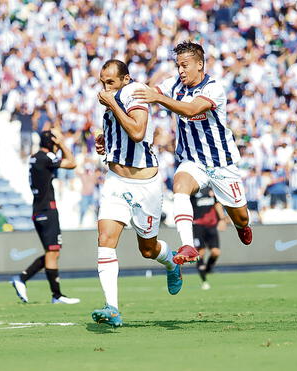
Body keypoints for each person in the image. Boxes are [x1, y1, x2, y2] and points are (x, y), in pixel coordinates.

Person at [134, 41, 252, 264]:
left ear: (200, 65)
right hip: (193, 161)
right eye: (178, 66)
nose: (180, 70)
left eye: (184, 65)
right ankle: (188, 245)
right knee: (180, 186)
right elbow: (150, 92)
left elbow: (191, 110)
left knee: (242, 216)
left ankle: (241, 226)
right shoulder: (174, 85)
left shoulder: (213, 89)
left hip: (221, 163)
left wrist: (158, 98)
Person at [90, 60, 181, 328]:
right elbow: (120, 133)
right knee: (105, 238)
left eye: (111, 82)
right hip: (116, 181)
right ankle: (112, 308)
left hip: (144, 185)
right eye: (102, 82)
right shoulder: (113, 102)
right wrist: (104, 140)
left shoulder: (134, 93)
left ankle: (172, 262)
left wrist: (112, 105)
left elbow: (138, 132)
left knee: (148, 249)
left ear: (125, 80)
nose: (105, 88)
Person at [11, 129, 80, 304]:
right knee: (53, 251)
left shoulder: (35, 157)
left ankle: (25, 279)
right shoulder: (46, 158)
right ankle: (52, 293)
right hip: (47, 210)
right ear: (51, 143)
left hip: (38, 209)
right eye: (56, 143)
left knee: (52, 252)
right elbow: (72, 163)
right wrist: (63, 143)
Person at [191, 187, 227, 290]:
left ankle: (207, 270)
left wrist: (222, 219)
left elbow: (217, 204)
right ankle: (204, 281)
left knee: (216, 252)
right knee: (200, 253)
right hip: (197, 225)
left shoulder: (211, 189)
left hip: (211, 225)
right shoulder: (193, 190)